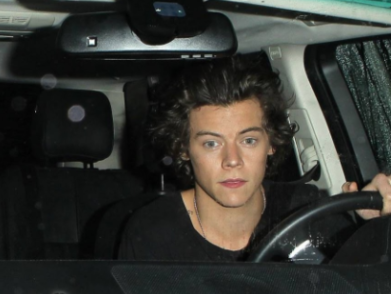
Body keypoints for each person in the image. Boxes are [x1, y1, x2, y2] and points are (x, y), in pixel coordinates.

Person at [119, 54, 391, 262]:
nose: (232, 160)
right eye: (212, 143)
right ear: (183, 148)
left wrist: (374, 227)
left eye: (248, 140)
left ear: (271, 142)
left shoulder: (308, 214)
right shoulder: (153, 231)